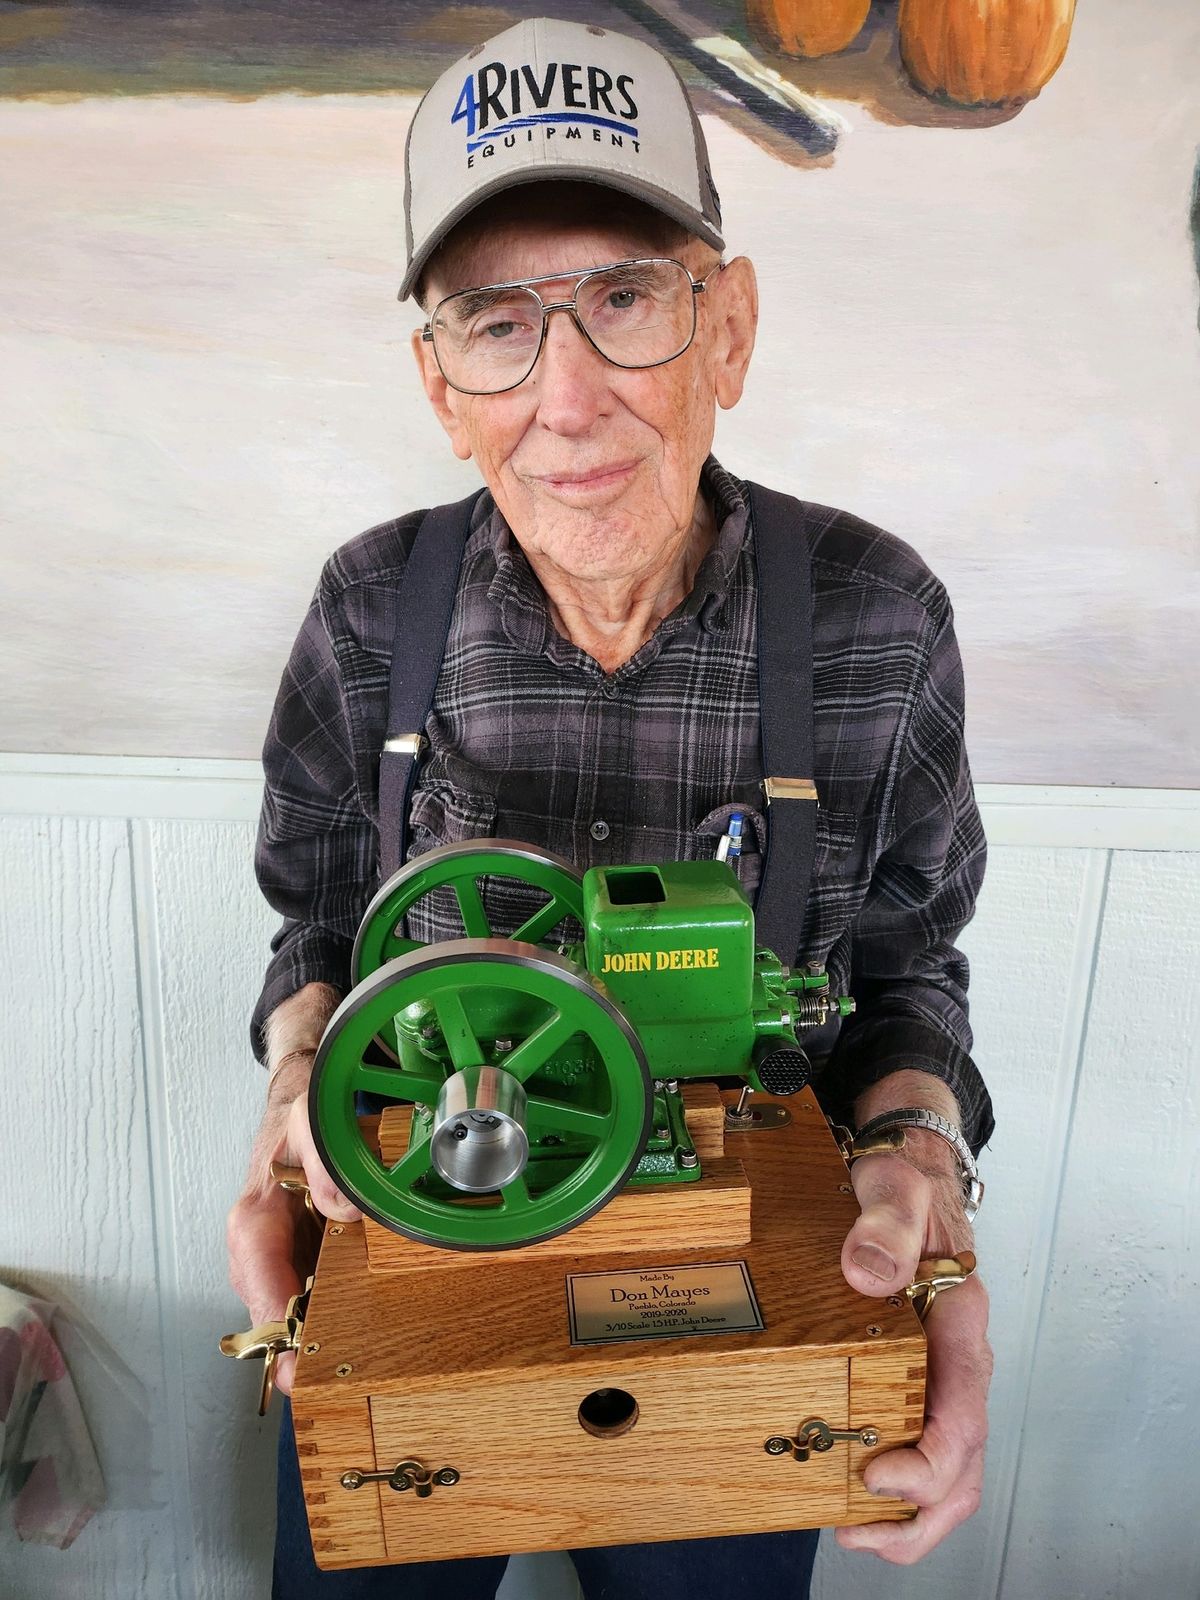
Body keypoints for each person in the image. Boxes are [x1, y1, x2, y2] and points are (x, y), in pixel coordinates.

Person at [227, 16, 993, 1598]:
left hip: (744, 1287)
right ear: (440, 383)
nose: (566, 399)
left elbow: (908, 969)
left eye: (624, 300)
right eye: (497, 323)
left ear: (729, 329)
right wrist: (299, 1084)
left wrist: (921, 1155)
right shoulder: (376, 609)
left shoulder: (877, 616)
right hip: (418, 1260)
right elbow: (315, 910)